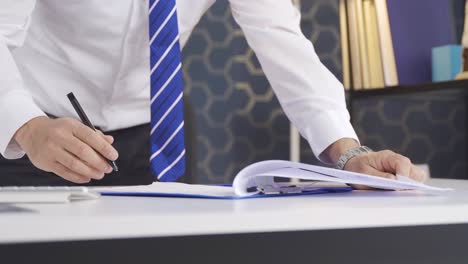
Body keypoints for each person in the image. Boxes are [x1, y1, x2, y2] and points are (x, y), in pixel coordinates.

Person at [0, 0, 426, 186]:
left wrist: (348, 153)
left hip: (151, 138)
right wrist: (28, 126)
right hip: (30, 131)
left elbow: (282, 40)